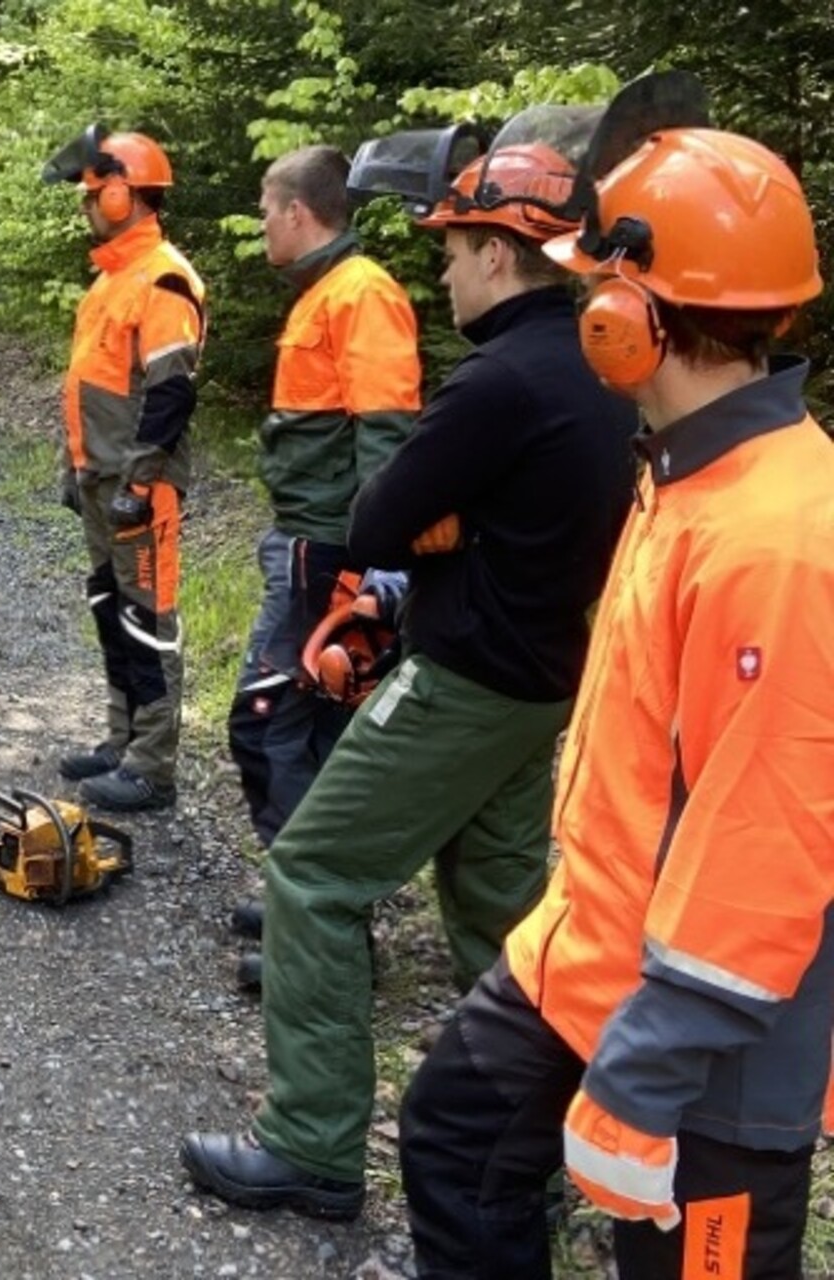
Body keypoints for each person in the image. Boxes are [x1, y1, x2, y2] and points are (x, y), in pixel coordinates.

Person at [397, 123, 834, 1278]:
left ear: (630, 318)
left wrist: (641, 1079)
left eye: (595, 285)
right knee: (454, 1136)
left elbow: (766, 848)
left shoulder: (780, 539)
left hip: (710, 1042)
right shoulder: (687, 468)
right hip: (587, 947)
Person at [179, 135, 640, 1221]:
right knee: (502, 910)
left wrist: (440, 532)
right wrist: (466, 527)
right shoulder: (596, 363)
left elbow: (375, 517)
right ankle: (541, 1151)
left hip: (467, 681)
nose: (440, 270)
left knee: (313, 876)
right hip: (547, 682)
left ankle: (312, 1145)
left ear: (495, 250)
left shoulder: (499, 381)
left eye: (452, 249)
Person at [227, 144, 422, 846]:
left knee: (271, 719)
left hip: (331, 551)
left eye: (265, 214)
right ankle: (309, 906)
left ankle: (304, 909)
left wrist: (381, 562)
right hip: (306, 542)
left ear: (297, 211)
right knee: (306, 727)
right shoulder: (326, 292)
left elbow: (387, 432)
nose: (262, 228)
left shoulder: (361, 293)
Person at [41, 124, 208, 814]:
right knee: (112, 610)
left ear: (121, 194)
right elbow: (92, 383)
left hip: (139, 484)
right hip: (101, 476)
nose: (84, 205)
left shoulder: (163, 277)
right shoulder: (112, 279)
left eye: (92, 193)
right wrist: (74, 467)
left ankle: (152, 765)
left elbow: (170, 394)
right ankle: (122, 739)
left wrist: (140, 483)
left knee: (147, 620)